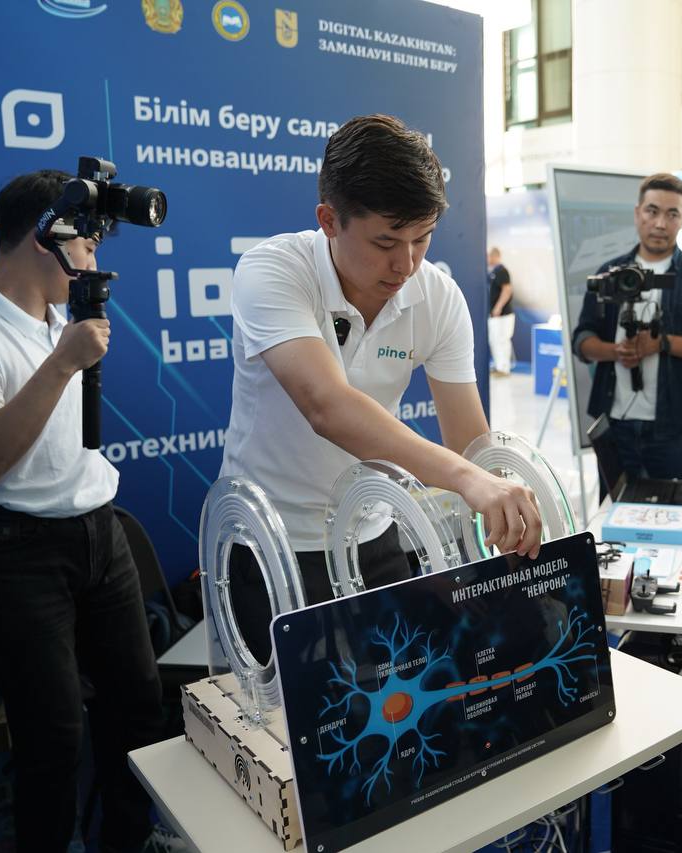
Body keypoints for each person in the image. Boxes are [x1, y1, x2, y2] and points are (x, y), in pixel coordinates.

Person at [221, 115, 540, 663]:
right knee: (283, 711)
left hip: (373, 531)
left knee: (401, 696)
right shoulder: (273, 270)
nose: (406, 263)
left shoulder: (437, 296)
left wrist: (497, 512)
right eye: (386, 241)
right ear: (329, 220)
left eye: (422, 239)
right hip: (272, 542)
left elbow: (471, 444)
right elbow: (326, 406)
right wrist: (470, 479)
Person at [0, 171, 165, 853]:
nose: (92, 260)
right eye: (85, 244)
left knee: (138, 709)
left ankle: (129, 840)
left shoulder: (63, 320)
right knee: (51, 736)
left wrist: (66, 349)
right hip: (13, 552)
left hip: (100, 533)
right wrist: (61, 365)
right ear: (43, 236)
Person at [572, 173, 682, 481]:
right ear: (637, 213)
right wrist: (616, 351)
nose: (660, 223)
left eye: (672, 214)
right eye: (652, 211)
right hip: (614, 426)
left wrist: (661, 344)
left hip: (674, 430)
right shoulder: (609, 273)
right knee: (615, 509)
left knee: (678, 509)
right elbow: (581, 340)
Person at [487, 246, 515, 376]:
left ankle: (504, 368)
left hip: (503, 314)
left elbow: (507, 290)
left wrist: (498, 307)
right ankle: (499, 366)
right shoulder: (494, 272)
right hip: (495, 315)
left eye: (489, 256)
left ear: (495, 256)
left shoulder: (502, 271)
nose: (488, 259)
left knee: (502, 340)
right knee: (495, 340)